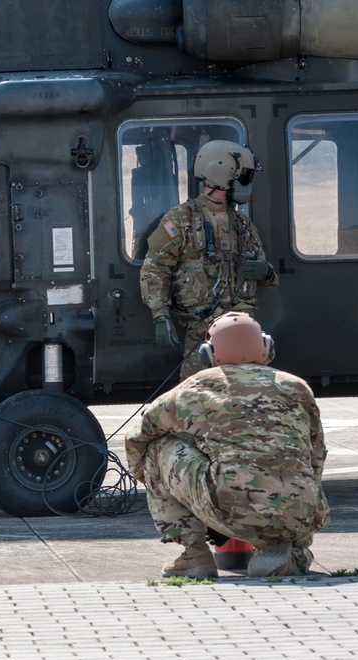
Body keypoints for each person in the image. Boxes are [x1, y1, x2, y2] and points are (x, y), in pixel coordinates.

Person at [124, 313, 330, 578]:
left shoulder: (197, 387)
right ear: (267, 349)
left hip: (230, 507)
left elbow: (140, 435)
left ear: (209, 354)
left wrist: (147, 477)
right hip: (303, 511)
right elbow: (317, 456)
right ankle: (291, 550)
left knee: (157, 449)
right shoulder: (297, 387)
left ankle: (194, 555)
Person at [139, 140, 278, 379]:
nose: (245, 183)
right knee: (198, 396)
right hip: (202, 332)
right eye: (242, 176)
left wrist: (266, 273)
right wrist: (160, 315)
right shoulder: (181, 218)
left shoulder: (243, 225)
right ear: (222, 174)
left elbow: (267, 275)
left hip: (244, 332)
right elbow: (155, 268)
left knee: (249, 398)